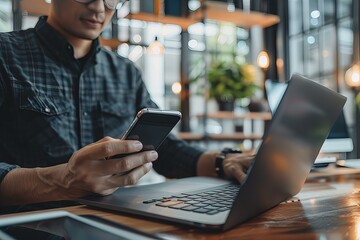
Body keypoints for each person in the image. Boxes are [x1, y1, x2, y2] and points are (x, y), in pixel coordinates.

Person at [0, 0, 253, 213]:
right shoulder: (5, 54)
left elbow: (162, 149)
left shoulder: (125, 72)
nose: (99, 8)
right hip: (27, 227)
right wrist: (61, 181)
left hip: (117, 222)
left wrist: (222, 162)